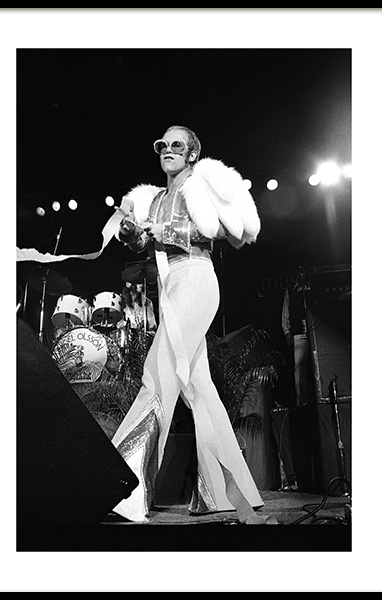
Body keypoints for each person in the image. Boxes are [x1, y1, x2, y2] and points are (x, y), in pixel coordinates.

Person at [111, 125, 277, 524]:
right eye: (162, 146)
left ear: (191, 154)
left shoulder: (197, 184)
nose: (168, 150)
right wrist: (131, 233)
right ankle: (224, 492)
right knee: (200, 390)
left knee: (158, 374)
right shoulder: (156, 197)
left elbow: (211, 230)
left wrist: (163, 230)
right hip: (171, 284)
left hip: (196, 279)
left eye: (177, 145)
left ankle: (122, 489)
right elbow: (145, 244)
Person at [281, 266, 312, 407]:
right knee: (299, 368)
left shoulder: (312, 288)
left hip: (315, 332)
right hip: (299, 334)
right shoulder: (290, 291)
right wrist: (287, 333)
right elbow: (285, 313)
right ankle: (302, 402)